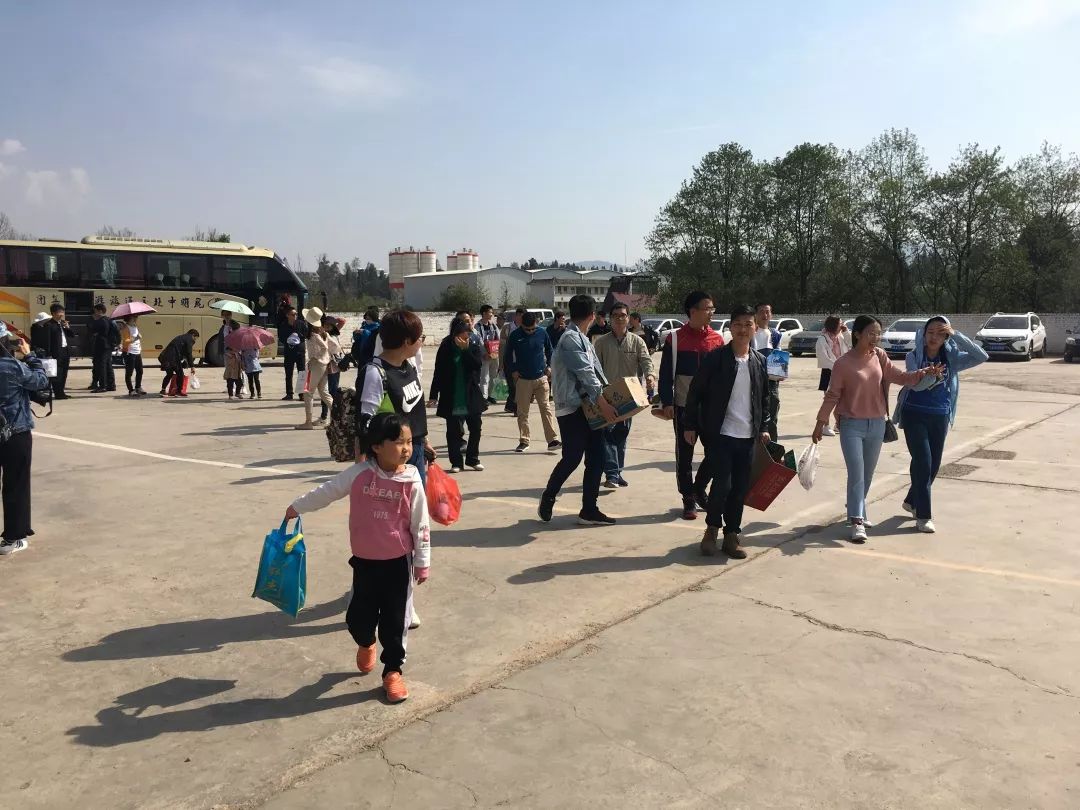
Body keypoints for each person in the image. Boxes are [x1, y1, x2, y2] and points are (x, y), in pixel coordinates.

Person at [285, 412, 430, 704]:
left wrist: (422, 561)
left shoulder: (412, 479)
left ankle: (393, 671)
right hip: (365, 562)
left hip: (398, 563)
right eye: (398, 442)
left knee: (395, 622)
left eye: (409, 442)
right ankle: (366, 642)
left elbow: (420, 524)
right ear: (376, 446)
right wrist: (298, 506)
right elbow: (328, 491)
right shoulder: (359, 474)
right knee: (357, 619)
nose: (406, 449)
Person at [812, 316, 938, 543]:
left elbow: (900, 377)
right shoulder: (842, 364)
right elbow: (832, 395)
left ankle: (857, 508)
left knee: (867, 475)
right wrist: (821, 422)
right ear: (857, 334)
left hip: (877, 424)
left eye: (878, 333)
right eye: (871, 333)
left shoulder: (879, 356)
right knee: (857, 473)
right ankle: (857, 521)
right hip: (851, 425)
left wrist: (924, 372)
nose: (876, 338)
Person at [682, 305, 772, 559]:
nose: (743, 329)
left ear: (755, 328)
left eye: (748, 324)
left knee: (740, 488)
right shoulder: (716, 358)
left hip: (748, 436)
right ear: (730, 327)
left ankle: (732, 535)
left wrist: (764, 427)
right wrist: (690, 425)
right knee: (723, 485)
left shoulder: (759, 361)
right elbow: (695, 393)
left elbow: (764, 398)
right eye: (738, 324)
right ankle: (711, 530)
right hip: (720, 434)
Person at [893, 316, 987, 533]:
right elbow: (915, 386)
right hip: (914, 414)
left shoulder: (952, 359)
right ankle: (923, 516)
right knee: (923, 462)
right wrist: (930, 376)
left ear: (946, 337)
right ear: (923, 334)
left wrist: (956, 335)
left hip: (940, 416)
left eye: (940, 333)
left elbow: (981, 355)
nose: (934, 337)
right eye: (930, 332)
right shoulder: (913, 356)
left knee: (933, 465)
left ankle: (912, 500)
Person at [538, 294, 619, 526]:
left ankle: (589, 509)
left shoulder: (582, 338)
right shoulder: (570, 339)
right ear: (592, 316)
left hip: (590, 407)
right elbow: (586, 374)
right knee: (572, 457)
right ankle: (549, 495)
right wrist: (604, 403)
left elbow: (596, 374)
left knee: (597, 458)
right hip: (573, 408)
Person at [658, 291, 725, 520]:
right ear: (693, 311)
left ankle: (699, 488)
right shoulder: (675, 339)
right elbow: (665, 375)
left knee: (716, 452)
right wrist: (667, 401)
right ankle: (688, 497)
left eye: (713, 308)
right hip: (683, 408)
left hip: (711, 408)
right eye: (708, 308)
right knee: (685, 455)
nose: (711, 313)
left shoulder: (717, 339)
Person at [356, 310, 434, 487]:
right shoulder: (376, 373)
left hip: (414, 450)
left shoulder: (408, 367)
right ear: (407, 341)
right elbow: (364, 424)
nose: (421, 342)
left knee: (416, 502)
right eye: (420, 337)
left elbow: (414, 411)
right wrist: (361, 469)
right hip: (390, 459)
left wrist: (423, 441)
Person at [0, 324, 50, 556]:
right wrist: (30, 356)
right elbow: (40, 381)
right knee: (16, 485)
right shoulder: (11, 366)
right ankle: (14, 537)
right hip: (14, 432)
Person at [594, 303, 655, 488]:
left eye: (623, 315)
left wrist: (650, 376)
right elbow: (595, 369)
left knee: (621, 435)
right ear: (610, 319)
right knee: (607, 435)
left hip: (629, 396)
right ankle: (612, 474)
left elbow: (646, 361)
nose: (620, 318)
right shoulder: (601, 342)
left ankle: (617, 472)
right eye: (616, 315)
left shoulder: (637, 341)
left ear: (628, 318)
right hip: (608, 396)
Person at [428, 317, 487, 472]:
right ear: (455, 335)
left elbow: (477, 365)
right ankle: (456, 462)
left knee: (475, 428)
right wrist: (433, 395)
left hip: (470, 394)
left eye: (467, 334)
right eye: (462, 335)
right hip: (452, 395)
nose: (465, 338)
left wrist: (466, 350)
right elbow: (438, 371)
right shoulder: (446, 347)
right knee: (453, 431)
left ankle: (473, 459)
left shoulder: (472, 346)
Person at [507, 312, 560, 453]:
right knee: (522, 412)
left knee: (546, 409)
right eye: (527, 329)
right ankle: (524, 440)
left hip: (541, 378)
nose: (530, 331)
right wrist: (513, 370)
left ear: (536, 324)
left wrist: (549, 366)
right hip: (523, 379)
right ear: (521, 325)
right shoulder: (515, 335)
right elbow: (508, 355)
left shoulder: (542, 332)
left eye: (533, 329)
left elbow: (550, 350)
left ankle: (552, 440)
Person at [296, 307, 335, 430]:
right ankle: (337, 419)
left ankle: (308, 422)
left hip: (317, 364)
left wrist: (316, 357)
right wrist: (326, 357)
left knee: (308, 393)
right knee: (324, 392)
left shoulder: (314, 334)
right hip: (324, 364)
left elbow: (324, 347)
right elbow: (334, 346)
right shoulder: (324, 333)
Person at [814, 315, 851, 436]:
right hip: (829, 371)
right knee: (829, 400)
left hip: (843, 371)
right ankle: (826, 426)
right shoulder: (822, 339)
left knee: (843, 400)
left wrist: (846, 332)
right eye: (840, 323)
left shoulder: (841, 336)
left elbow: (852, 344)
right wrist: (838, 367)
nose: (842, 325)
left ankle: (838, 424)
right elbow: (823, 358)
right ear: (833, 325)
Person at [752, 303, 782, 440]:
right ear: (755, 314)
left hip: (771, 383)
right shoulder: (750, 333)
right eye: (761, 312)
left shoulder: (775, 335)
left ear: (771, 314)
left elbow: (780, 358)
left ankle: (772, 449)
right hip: (752, 381)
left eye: (767, 312)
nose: (765, 315)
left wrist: (781, 372)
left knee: (771, 418)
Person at [278, 306, 308, 401]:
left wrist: (299, 336)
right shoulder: (283, 325)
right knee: (288, 373)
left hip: (300, 352)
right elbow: (281, 337)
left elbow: (306, 334)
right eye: (293, 314)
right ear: (287, 315)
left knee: (301, 373)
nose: (295, 316)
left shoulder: (301, 324)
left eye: (296, 314)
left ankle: (301, 394)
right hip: (289, 352)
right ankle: (289, 394)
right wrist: (289, 339)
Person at [44, 304, 73, 399]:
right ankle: (58, 393)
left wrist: (67, 327)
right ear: (53, 313)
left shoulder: (62, 323)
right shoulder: (49, 325)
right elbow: (47, 340)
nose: (61, 314)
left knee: (64, 372)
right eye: (59, 312)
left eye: (62, 312)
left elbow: (71, 335)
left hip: (65, 351)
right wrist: (48, 354)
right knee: (57, 374)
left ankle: (62, 392)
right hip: (56, 352)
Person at [159, 329, 200, 397]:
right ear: (193, 335)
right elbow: (189, 353)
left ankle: (163, 390)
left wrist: (184, 362)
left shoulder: (181, 337)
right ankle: (178, 392)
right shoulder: (189, 339)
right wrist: (192, 366)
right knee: (180, 374)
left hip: (164, 357)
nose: (195, 340)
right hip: (173, 358)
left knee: (169, 374)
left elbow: (180, 350)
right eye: (195, 338)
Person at [319, 315, 345, 422]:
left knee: (331, 393)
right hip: (327, 368)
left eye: (328, 326)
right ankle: (325, 416)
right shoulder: (324, 336)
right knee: (325, 393)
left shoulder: (331, 337)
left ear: (332, 327)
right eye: (325, 325)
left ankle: (332, 417)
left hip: (332, 368)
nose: (326, 327)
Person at [499, 308, 525, 414]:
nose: (521, 319)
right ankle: (514, 407)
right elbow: (502, 347)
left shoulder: (526, 328)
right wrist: (501, 363)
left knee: (518, 386)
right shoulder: (507, 328)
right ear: (516, 316)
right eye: (520, 316)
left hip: (521, 362)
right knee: (512, 386)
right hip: (509, 361)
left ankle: (512, 407)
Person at [474, 304, 501, 404]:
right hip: (484, 356)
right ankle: (483, 397)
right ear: (484, 313)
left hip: (494, 355)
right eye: (490, 312)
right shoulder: (477, 326)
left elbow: (498, 339)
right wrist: (485, 353)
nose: (492, 314)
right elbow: (479, 341)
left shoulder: (493, 325)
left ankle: (491, 395)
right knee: (484, 377)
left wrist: (497, 351)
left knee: (494, 376)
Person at [88, 303, 117, 393]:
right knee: (108, 365)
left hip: (101, 346)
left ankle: (102, 385)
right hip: (108, 346)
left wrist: (95, 332)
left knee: (101, 366)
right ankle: (111, 385)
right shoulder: (110, 320)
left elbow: (93, 330)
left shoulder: (100, 321)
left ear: (100, 311)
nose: (94, 313)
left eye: (95, 311)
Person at [220, 311, 245, 399]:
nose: (226, 317)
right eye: (225, 315)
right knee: (230, 376)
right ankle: (230, 394)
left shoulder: (235, 326)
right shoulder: (224, 328)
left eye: (228, 315)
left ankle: (238, 392)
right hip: (229, 355)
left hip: (236, 355)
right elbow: (224, 340)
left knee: (238, 376)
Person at [120, 315, 147, 396]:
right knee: (129, 372)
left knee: (140, 371)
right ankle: (131, 390)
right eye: (134, 317)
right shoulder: (125, 328)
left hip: (137, 351)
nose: (136, 319)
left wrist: (138, 337)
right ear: (129, 318)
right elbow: (125, 341)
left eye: (136, 317)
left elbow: (137, 336)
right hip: (129, 352)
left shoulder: (135, 326)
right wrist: (136, 338)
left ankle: (138, 387)